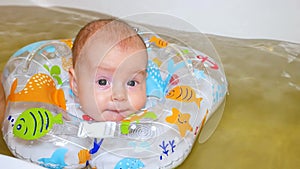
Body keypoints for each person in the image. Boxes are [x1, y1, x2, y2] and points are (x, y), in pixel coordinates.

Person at [69, 19, 148, 122]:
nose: (119, 96)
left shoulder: (152, 116)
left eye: (132, 83)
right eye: (103, 82)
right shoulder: (62, 115)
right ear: (75, 84)